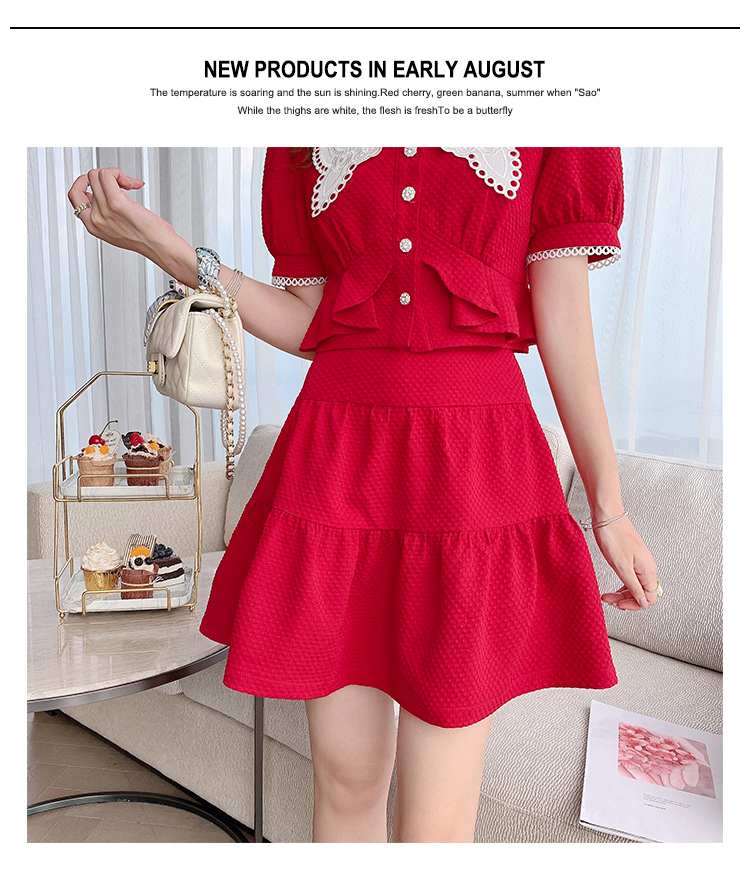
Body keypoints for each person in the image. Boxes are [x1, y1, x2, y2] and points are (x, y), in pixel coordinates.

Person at [68, 146, 661, 844]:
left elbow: (564, 319)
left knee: (435, 817)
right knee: (346, 781)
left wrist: (609, 508)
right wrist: (167, 249)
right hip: (338, 464)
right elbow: (311, 325)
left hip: (470, 473)